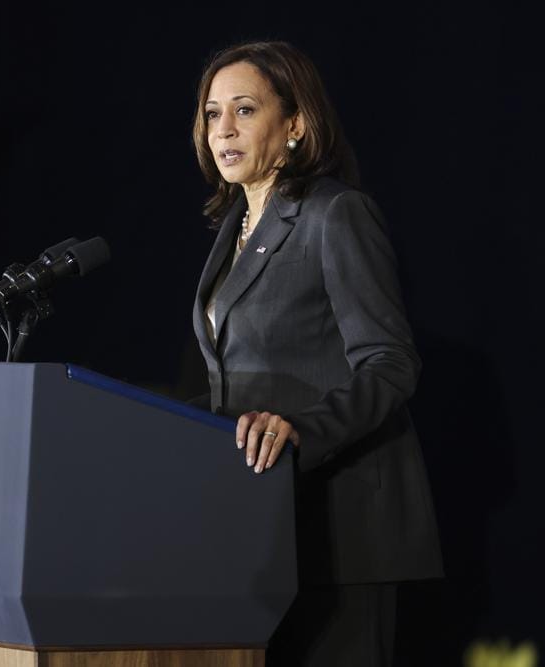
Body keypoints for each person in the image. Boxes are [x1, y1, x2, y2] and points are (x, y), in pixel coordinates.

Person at [190, 41, 443, 665]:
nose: (224, 128)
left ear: (296, 123)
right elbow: (238, 383)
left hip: (342, 527)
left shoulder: (335, 214)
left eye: (244, 110)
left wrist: (301, 431)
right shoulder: (231, 232)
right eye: (212, 113)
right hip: (263, 524)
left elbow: (390, 363)